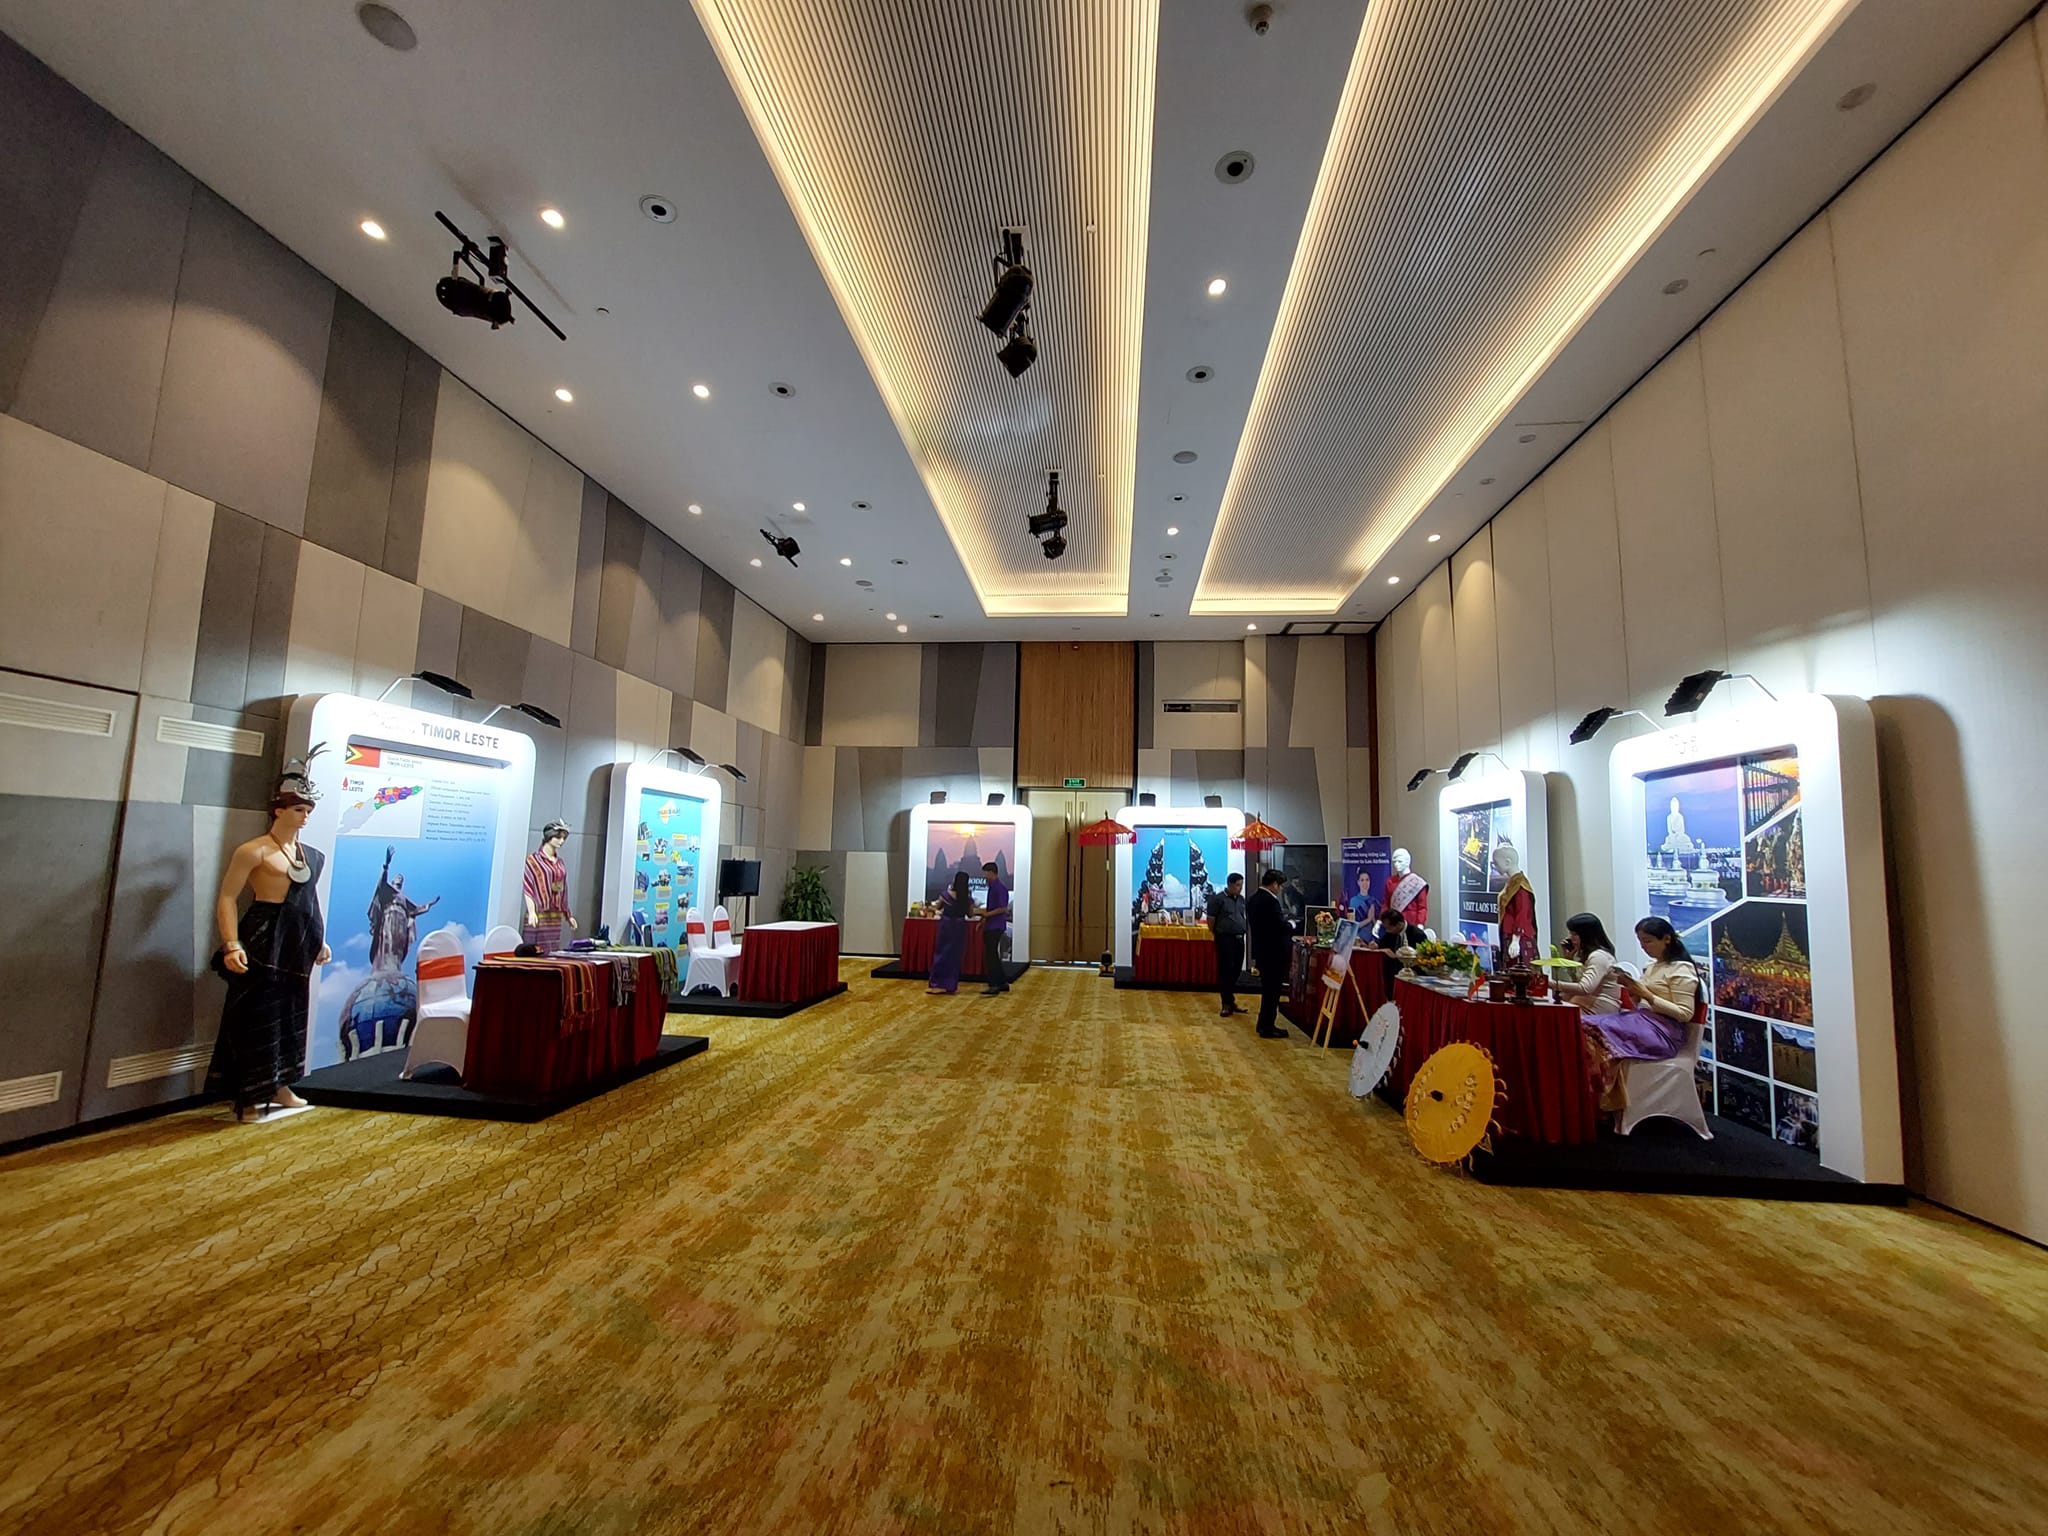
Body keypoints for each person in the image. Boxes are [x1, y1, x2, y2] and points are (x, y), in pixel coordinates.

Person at [209, 751, 332, 1123]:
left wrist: (318, 938)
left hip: (297, 941)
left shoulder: (310, 855)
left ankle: (281, 1085)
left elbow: (310, 900)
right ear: (278, 810)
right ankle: (248, 1094)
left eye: (308, 810)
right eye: (298, 809)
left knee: (290, 1013)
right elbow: (227, 897)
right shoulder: (253, 851)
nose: (304, 816)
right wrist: (232, 943)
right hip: (264, 936)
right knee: (254, 1015)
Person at [1583, 916, 1705, 1109]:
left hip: (1663, 1031)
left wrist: (1647, 995)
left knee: (1591, 1028)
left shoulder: (1681, 970)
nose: (1644, 947)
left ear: (1666, 939)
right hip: (1642, 1020)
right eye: (1641, 942)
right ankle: (1595, 1096)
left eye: (1648, 941)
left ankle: (1604, 1098)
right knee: (1584, 1024)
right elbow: (1641, 1003)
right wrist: (1633, 991)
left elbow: (1684, 1013)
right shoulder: (1652, 966)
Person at [367, 846, 439, 972]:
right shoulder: (388, 889)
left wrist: (429, 904)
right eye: (398, 877)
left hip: (401, 920)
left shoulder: (404, 898)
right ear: (393, 880)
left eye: (402, 878)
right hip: (390, 916)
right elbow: (382, 883)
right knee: (388, 940)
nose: (400, 878)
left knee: (398, 942)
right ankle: (384, 966)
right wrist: (386, 865)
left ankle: (395, 966)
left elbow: (415, 909)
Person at [1247, 869, 1293, 1039]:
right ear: (1274, 884)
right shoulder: (1270, 901)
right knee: (1272, 992)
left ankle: (1263, 1024)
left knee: (1267, 990)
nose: (1279, 889)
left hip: (1261, 951)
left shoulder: (1253, 899)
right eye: (1279, 885)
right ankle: (1267, 1026)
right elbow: (1279, 927)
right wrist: (1292, 924)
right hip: (1273, 953)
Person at [1552, 912, 1625, 1014]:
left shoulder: (1599, 957)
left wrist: (1551, 983)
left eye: (1574, 934)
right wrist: (1569, 961)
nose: (1570, 938)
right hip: (1586, 1001)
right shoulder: (1587, 955)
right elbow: (1578, 982)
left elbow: (1585, 988)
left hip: (1599, 1006)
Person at [522, 819, 576, 952]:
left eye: (563, 838)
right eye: (558, 837)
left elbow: (563, 888)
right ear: (549, 837)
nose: (561, 841)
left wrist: (568, 915)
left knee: (552, 951)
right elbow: (528, 887)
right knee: (535, 950)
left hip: (555, 916)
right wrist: (532, 911)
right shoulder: (533, 861)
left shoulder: (560, 862)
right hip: (539, 914)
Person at [926, 870, 973, 996]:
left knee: (941, 954)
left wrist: (929, 906)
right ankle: (951, 985)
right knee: (955, 956)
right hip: (960, 927)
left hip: (946, 926)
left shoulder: (946, 895)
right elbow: (970, 914)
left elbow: (937, 907)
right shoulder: (967, 898)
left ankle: (937, 984)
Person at [1207, 872, 1248, 1016]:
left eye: (1241, 885)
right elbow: (1211, 921)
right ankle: (1226, 1003)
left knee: (1236, 970)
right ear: (1230, 884)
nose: (1240, 888)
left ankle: (1230, 1000)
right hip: (1225, 939)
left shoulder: (1241, 899)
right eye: (1237, 885)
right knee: (1225, 971)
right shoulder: (1218, 899)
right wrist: (1218, 934)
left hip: (1239, 939)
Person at [977, 860, 1011, 996]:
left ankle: (994, 985)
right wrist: (983, 920)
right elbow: (991, 907)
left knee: (991, 956)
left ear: (992, 873)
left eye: (985, 873)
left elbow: (1003, 908)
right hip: (991, 925)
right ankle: (1002, 982)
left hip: (996, 926)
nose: (984, 876)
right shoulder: (991, 887)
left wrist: (986, 915)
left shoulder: (1000, 888)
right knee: (992, 955)